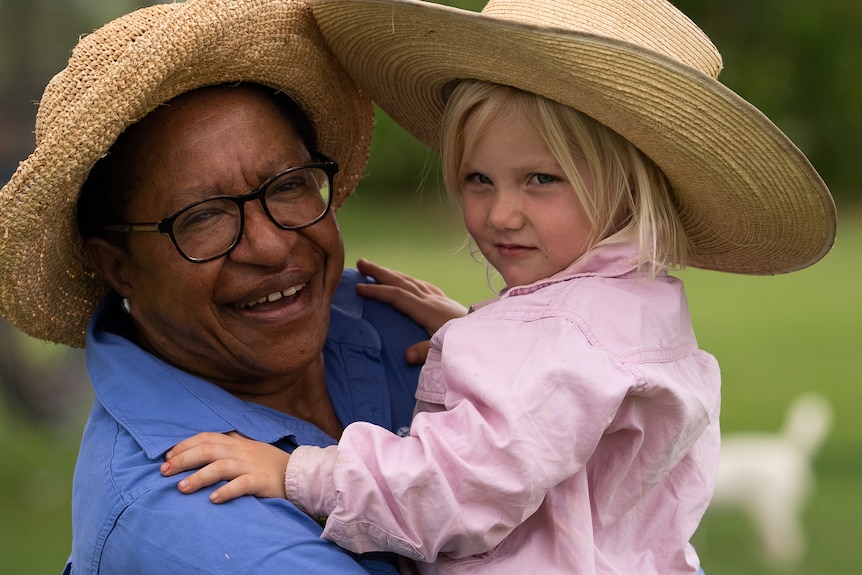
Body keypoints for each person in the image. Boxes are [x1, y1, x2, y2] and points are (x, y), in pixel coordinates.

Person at [160, 0, 837, 574]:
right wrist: (474, 329)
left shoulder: (548, 343)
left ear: (630, 188)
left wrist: (298, 473)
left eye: (540, 179)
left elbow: (451, 491)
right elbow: (573, 396)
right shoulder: (644, 305)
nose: (500, 212)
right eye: (480, 179)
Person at [0, 0, 465, 573]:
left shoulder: (402, 322)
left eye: (290, 184)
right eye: (204, 217)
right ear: (118, 268)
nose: (271, 246)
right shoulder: (192, 519)